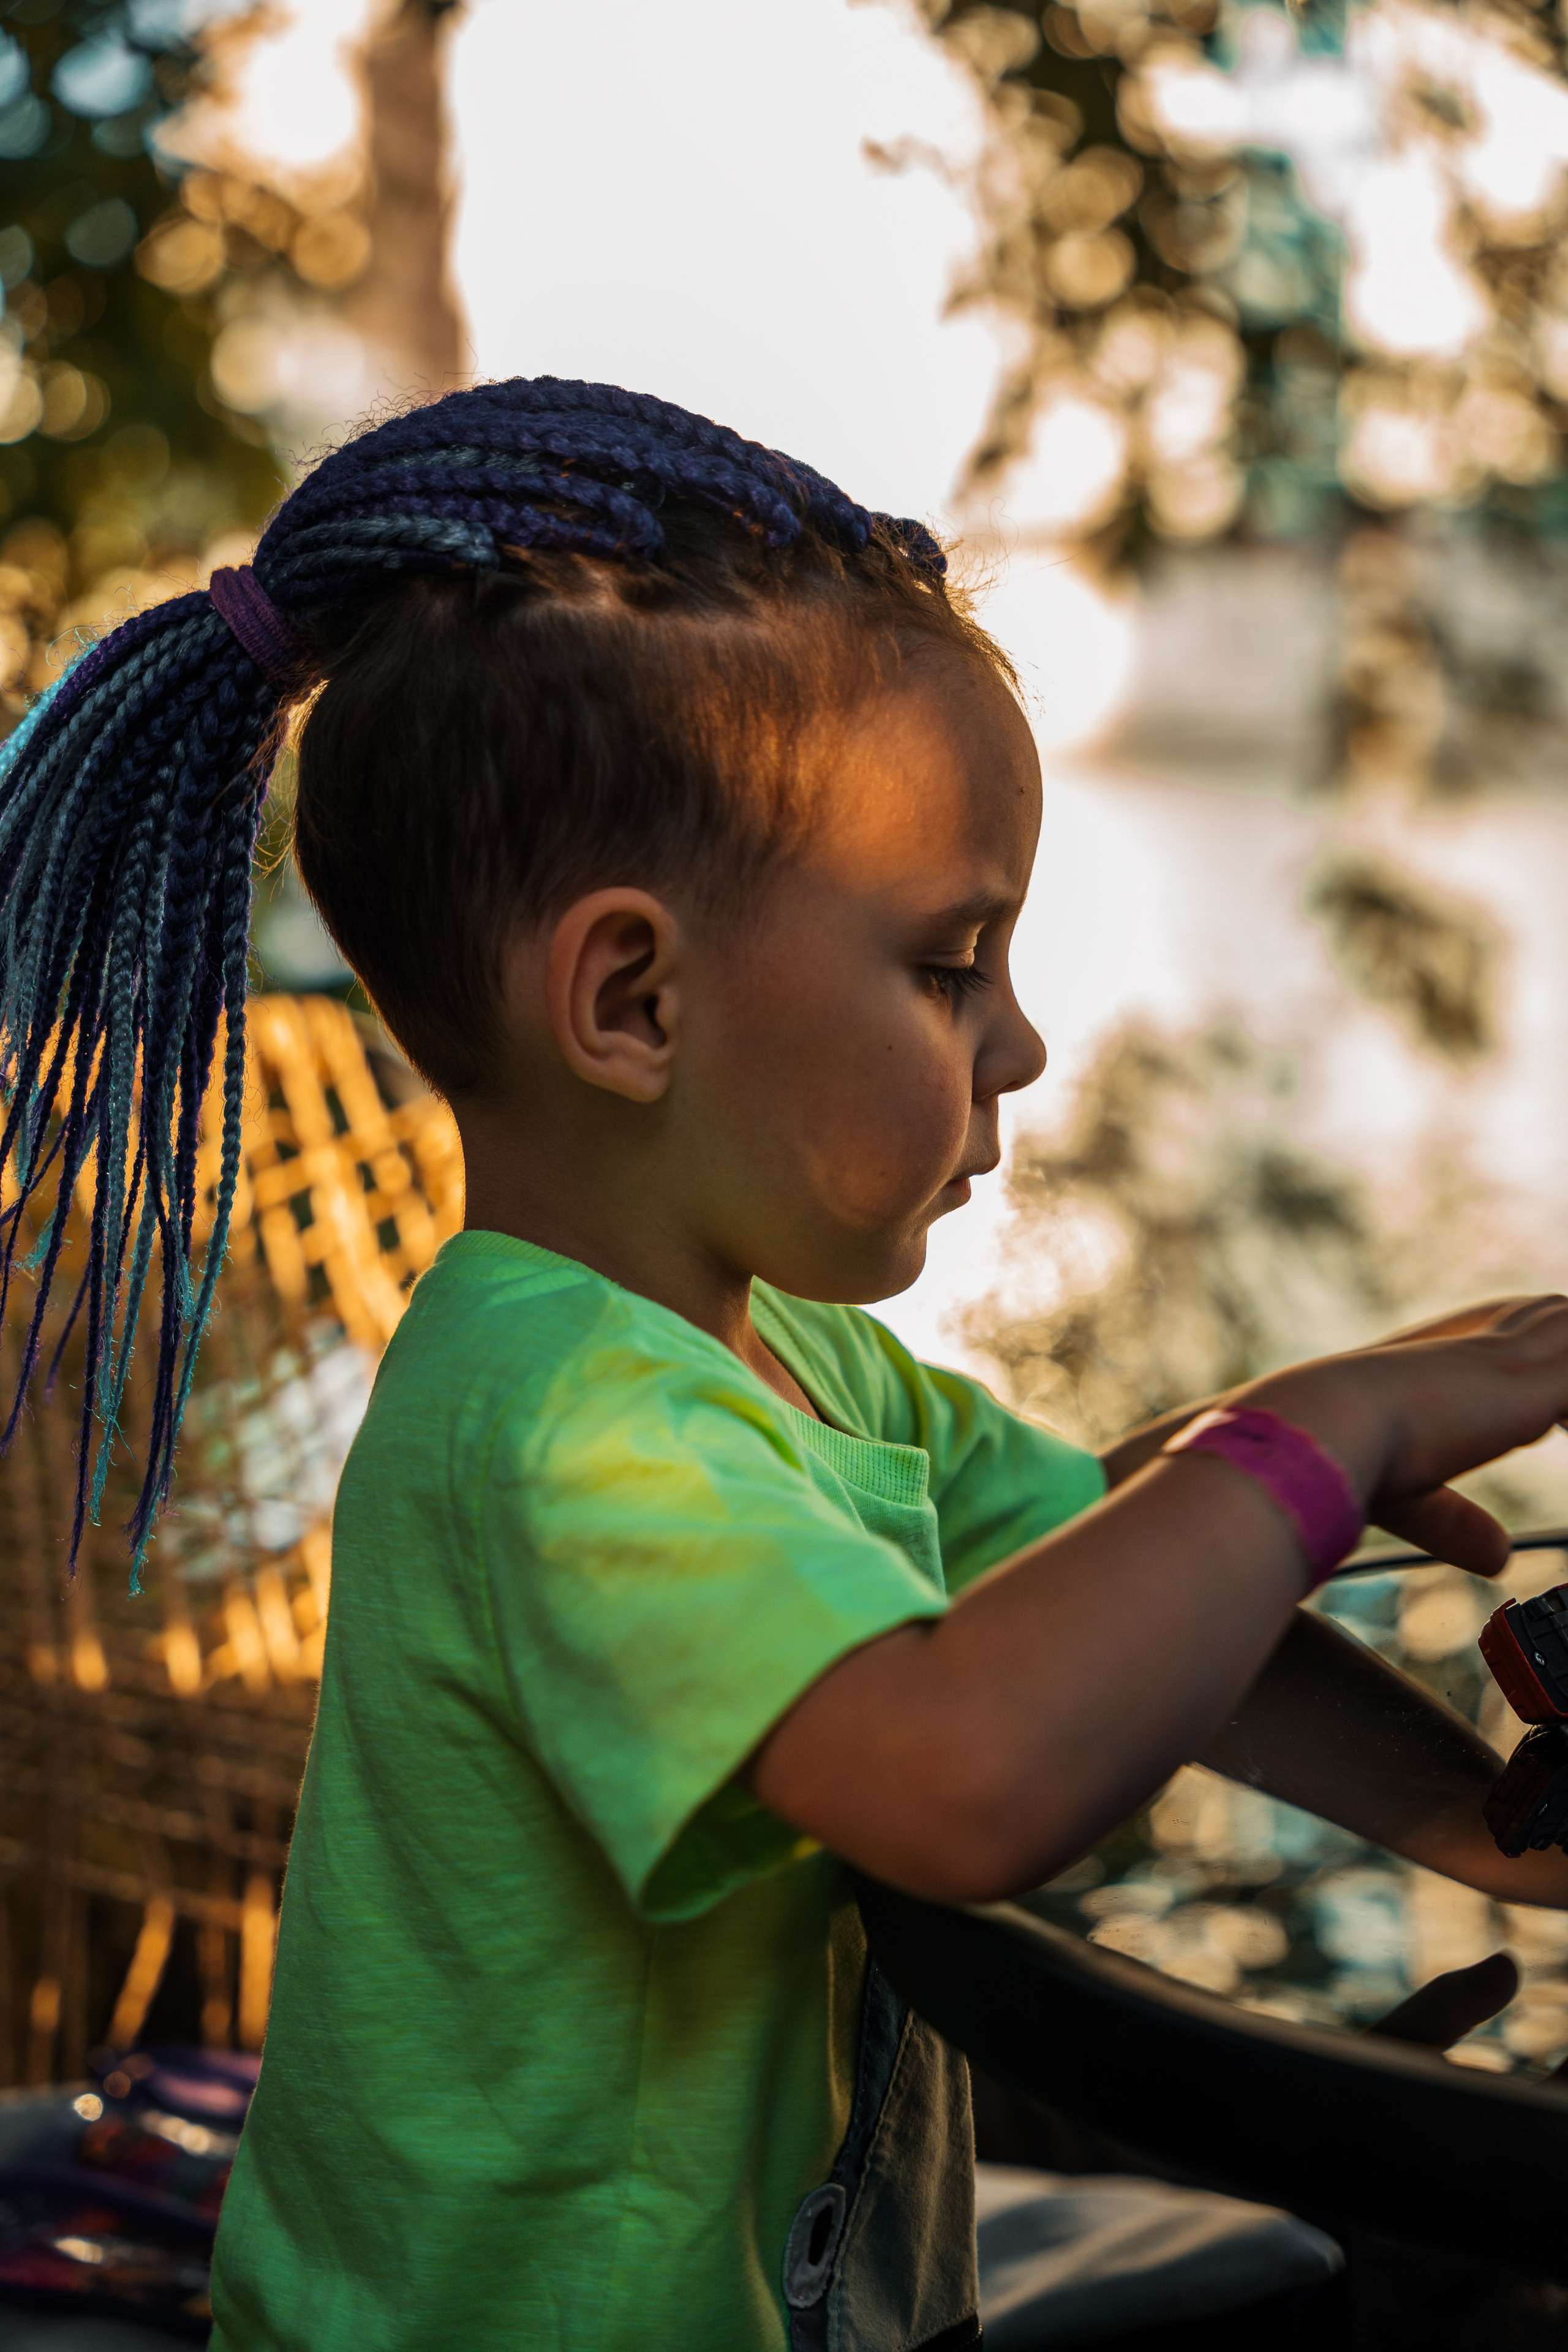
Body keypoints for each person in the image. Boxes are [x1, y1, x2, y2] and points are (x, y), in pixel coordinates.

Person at [4, 377, 1568, 2352]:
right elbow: (960, 1771)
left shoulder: (807, 1371)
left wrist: (1485, 1825)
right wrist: (1329, 1436)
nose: (1023, 1046)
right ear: (633, 1000)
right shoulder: (557, 1427)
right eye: (950, 963)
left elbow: (1087, 1588)